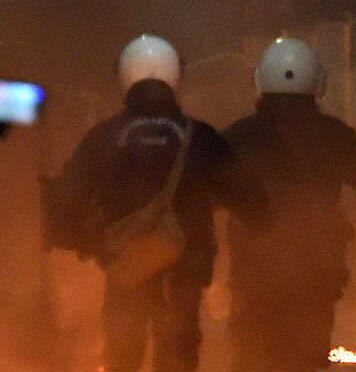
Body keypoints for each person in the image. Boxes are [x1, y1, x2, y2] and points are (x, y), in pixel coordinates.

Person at [50, 35, 266, 372]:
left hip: (126, 269)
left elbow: (66, 205)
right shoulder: (202, 137)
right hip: (185, 271)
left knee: (123, 356)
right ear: (177, 76)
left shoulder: (104, 136)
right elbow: (252, 202)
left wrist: (87, 242)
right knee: (177, 356)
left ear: (124, 75)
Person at [223, 37, 356, 372]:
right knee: (307, 358)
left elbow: (206, 193)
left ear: (259, 81)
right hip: (315, 272)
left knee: (252, 356)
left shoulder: (238, 135)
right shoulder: (333, 133)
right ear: (318, 82)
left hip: (253, 274)